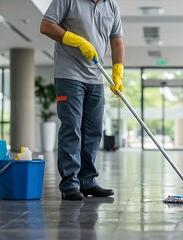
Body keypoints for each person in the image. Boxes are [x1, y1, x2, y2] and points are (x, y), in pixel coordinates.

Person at [40, 0, 125, 200]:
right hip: (69, 74)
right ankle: (69, 183)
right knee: (72, 128)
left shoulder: (111, 6)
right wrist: (74, 39)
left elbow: (117, 40)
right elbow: (46, 25)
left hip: (96, 76)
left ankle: (88, 181)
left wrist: (118, 72)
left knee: (93, 130)